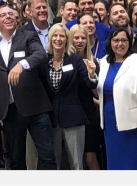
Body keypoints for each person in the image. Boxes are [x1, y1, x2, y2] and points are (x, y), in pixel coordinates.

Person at [0, 3, 54, 169]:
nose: (8, 17)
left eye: (11, 14)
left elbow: (40, 54)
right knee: (16, 158)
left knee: (47, 155)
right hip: (9, 109)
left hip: (35, 106)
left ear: (17, 19)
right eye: (3, 15)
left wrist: (23, 64)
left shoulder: (28, 36)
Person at [98, 26, 137, 169]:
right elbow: (101, 88)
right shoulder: (104, 61)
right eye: (116, 40)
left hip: (134, 120)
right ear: (110, 42)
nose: (120, 44)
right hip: (110, 120)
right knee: (115, 159)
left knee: (134, 160)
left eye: (124, 40)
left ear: (129, 42)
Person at [41, 23, 91, 169]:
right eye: (55, 35)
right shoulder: (44, 61)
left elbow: (90, 83)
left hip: (73, 118)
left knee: (76, 163)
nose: (58, 39)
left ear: (67, 39)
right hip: (51, 119)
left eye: (62, 36)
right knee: (53, 162)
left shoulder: (74, 59)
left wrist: (92, 74)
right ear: (50, 39)